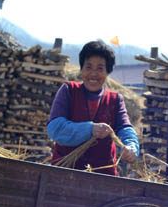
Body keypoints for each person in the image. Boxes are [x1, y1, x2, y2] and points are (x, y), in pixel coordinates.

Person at [47, 41, 139, 175]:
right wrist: (90, 129)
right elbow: (55, 128)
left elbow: (125, 128)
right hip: (64, 173)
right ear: (81, 69)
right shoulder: (69, 90)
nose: (93, 74)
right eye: (88, 67)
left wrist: (131, 146)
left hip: (102, 177)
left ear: (108, 72)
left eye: (100, 68)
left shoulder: (115, 100)